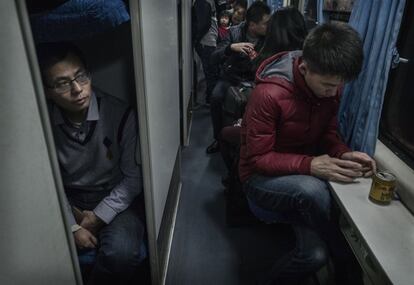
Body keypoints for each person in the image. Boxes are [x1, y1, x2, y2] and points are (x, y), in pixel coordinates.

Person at [240, 23, 375, 285]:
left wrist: (344, 153)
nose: (334, 92)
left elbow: (328, 134)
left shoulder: (329, 86)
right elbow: (258, 159)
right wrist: (311, 164)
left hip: (298, 172)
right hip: (258, 180)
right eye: (327, 85)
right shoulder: (268, 94)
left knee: (314, 255)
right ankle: (344, 256)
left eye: (339, 86)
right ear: (304, 68)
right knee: (313, 190)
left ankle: (336, 257)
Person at [36, 42, 147, 285]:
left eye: (81, 76)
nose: (77, 89)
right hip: (67, 199)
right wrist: (72, 226)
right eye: (63, 83)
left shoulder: (121, 115)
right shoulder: (38, 124)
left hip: (116, 196)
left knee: (121, 254)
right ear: (46, 91)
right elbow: (44, 183)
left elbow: (133, 179)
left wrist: (97, 217)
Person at [220, 7, 308, 181]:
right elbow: (217, 55)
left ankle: (235, 179)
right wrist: (232, 48)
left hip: (277, 137)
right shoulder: (307, 60)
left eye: (270, 25)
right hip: (236, 77)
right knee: (220, 96)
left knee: (227, 132)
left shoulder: (276, 65)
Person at [206, 0, 271, 154]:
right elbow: (214, 57)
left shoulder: (269, 38)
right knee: (216, 98)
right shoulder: (233, 32)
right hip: (231, 77)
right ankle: (219, 139)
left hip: (253, 80)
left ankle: (247, 144)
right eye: (265, 23)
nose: (269, 26)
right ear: (252, 25)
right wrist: (230, 48)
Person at [193, 0, 219, 104]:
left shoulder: (202, 2)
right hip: (210, 41)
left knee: (206, 74)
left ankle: (205, 102)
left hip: (206, 41)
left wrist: (196, 39)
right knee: (210, 73)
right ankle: (209, 101)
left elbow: (204, 24)